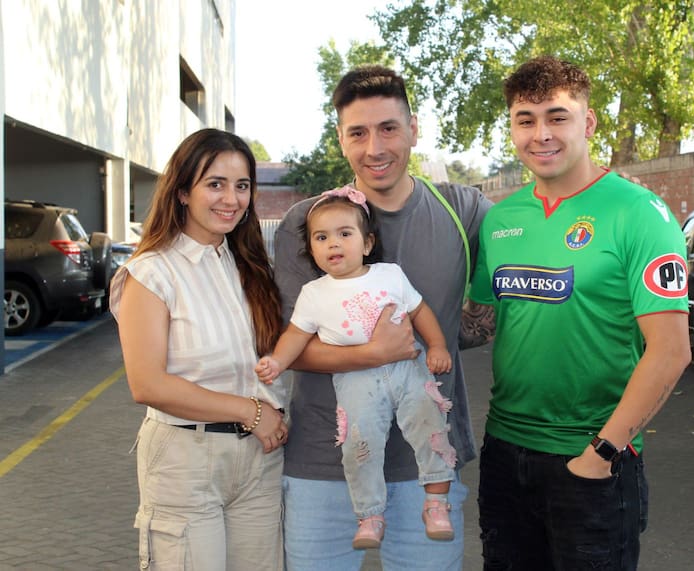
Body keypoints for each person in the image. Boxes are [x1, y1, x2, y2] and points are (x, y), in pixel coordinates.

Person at [468, 55, 692, 570]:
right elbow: (480, 322)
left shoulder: (639, 214)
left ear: (587, 123)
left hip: (592, 459)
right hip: (504, 454)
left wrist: (602, 453)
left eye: (557, 117)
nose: (541, 134)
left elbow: (672, 350)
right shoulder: (502, 219)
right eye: (526, 120)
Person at [273, 65, 494, 570]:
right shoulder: (307, 223)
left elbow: (529, 251)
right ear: (341, 139)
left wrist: (439, 340)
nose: (374, 148)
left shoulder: (464, 210)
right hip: (323, 467)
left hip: (427, 472)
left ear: (413, 128)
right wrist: (376, 353)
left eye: (388, 128)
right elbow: (291, 346)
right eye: (358, 133)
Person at [109, 128, 288, 571]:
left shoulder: (250, 267)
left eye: (242, 186)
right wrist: (251, 411)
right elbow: (147, 384)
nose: (231, 199)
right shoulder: (151, 273)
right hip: (185, 458)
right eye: (215, 184)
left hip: (260, 460)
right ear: (183, 192)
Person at [257, 186, 458, 549]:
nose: (333, 243)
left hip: (407, 368)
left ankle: (436, 501)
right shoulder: (314, 293)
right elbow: (295, 336)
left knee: (431, 422)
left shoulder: (389, 274)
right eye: (321, 237)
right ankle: (369, 514)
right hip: (354, 378)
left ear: (367, 243)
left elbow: (419, 311)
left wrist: (438, 345)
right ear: (312, 250)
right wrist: (277, 361)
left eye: (344, 234)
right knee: (359, 443)